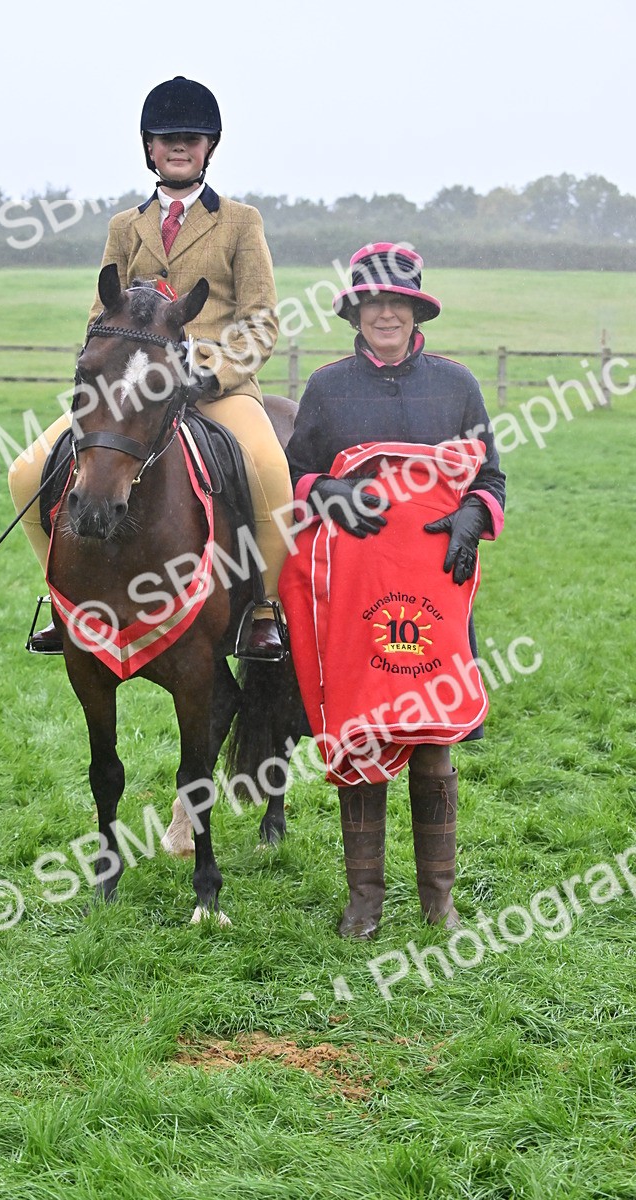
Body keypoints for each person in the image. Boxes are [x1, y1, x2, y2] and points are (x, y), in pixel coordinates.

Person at [8, 75, 293, 659]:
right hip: (130, 391)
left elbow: (262, 320)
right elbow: (100, 316)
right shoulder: (124, 227)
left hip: (215, 386)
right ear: (149, 148)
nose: (179, 147)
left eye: (190, 138)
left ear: (209, 147)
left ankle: (263, 610)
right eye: (167, 139)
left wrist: (209, 372)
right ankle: (61, 605)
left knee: (270, 470)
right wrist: (104, 371)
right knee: (23, 473)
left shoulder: (242, 222)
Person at [281, 242, 506, 939]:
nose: (385, 312)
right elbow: (294, 479)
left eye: (397, 301)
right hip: (355, 597)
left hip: (434, 590)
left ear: (414, 310)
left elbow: (490, 480)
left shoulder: (457, 386)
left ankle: (440, 901)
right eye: (372, 301)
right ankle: (366, 901)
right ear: (356, 310)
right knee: (364, 738)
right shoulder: (327, 387)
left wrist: (473, 514)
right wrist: (331, 490)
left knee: (434, 738)